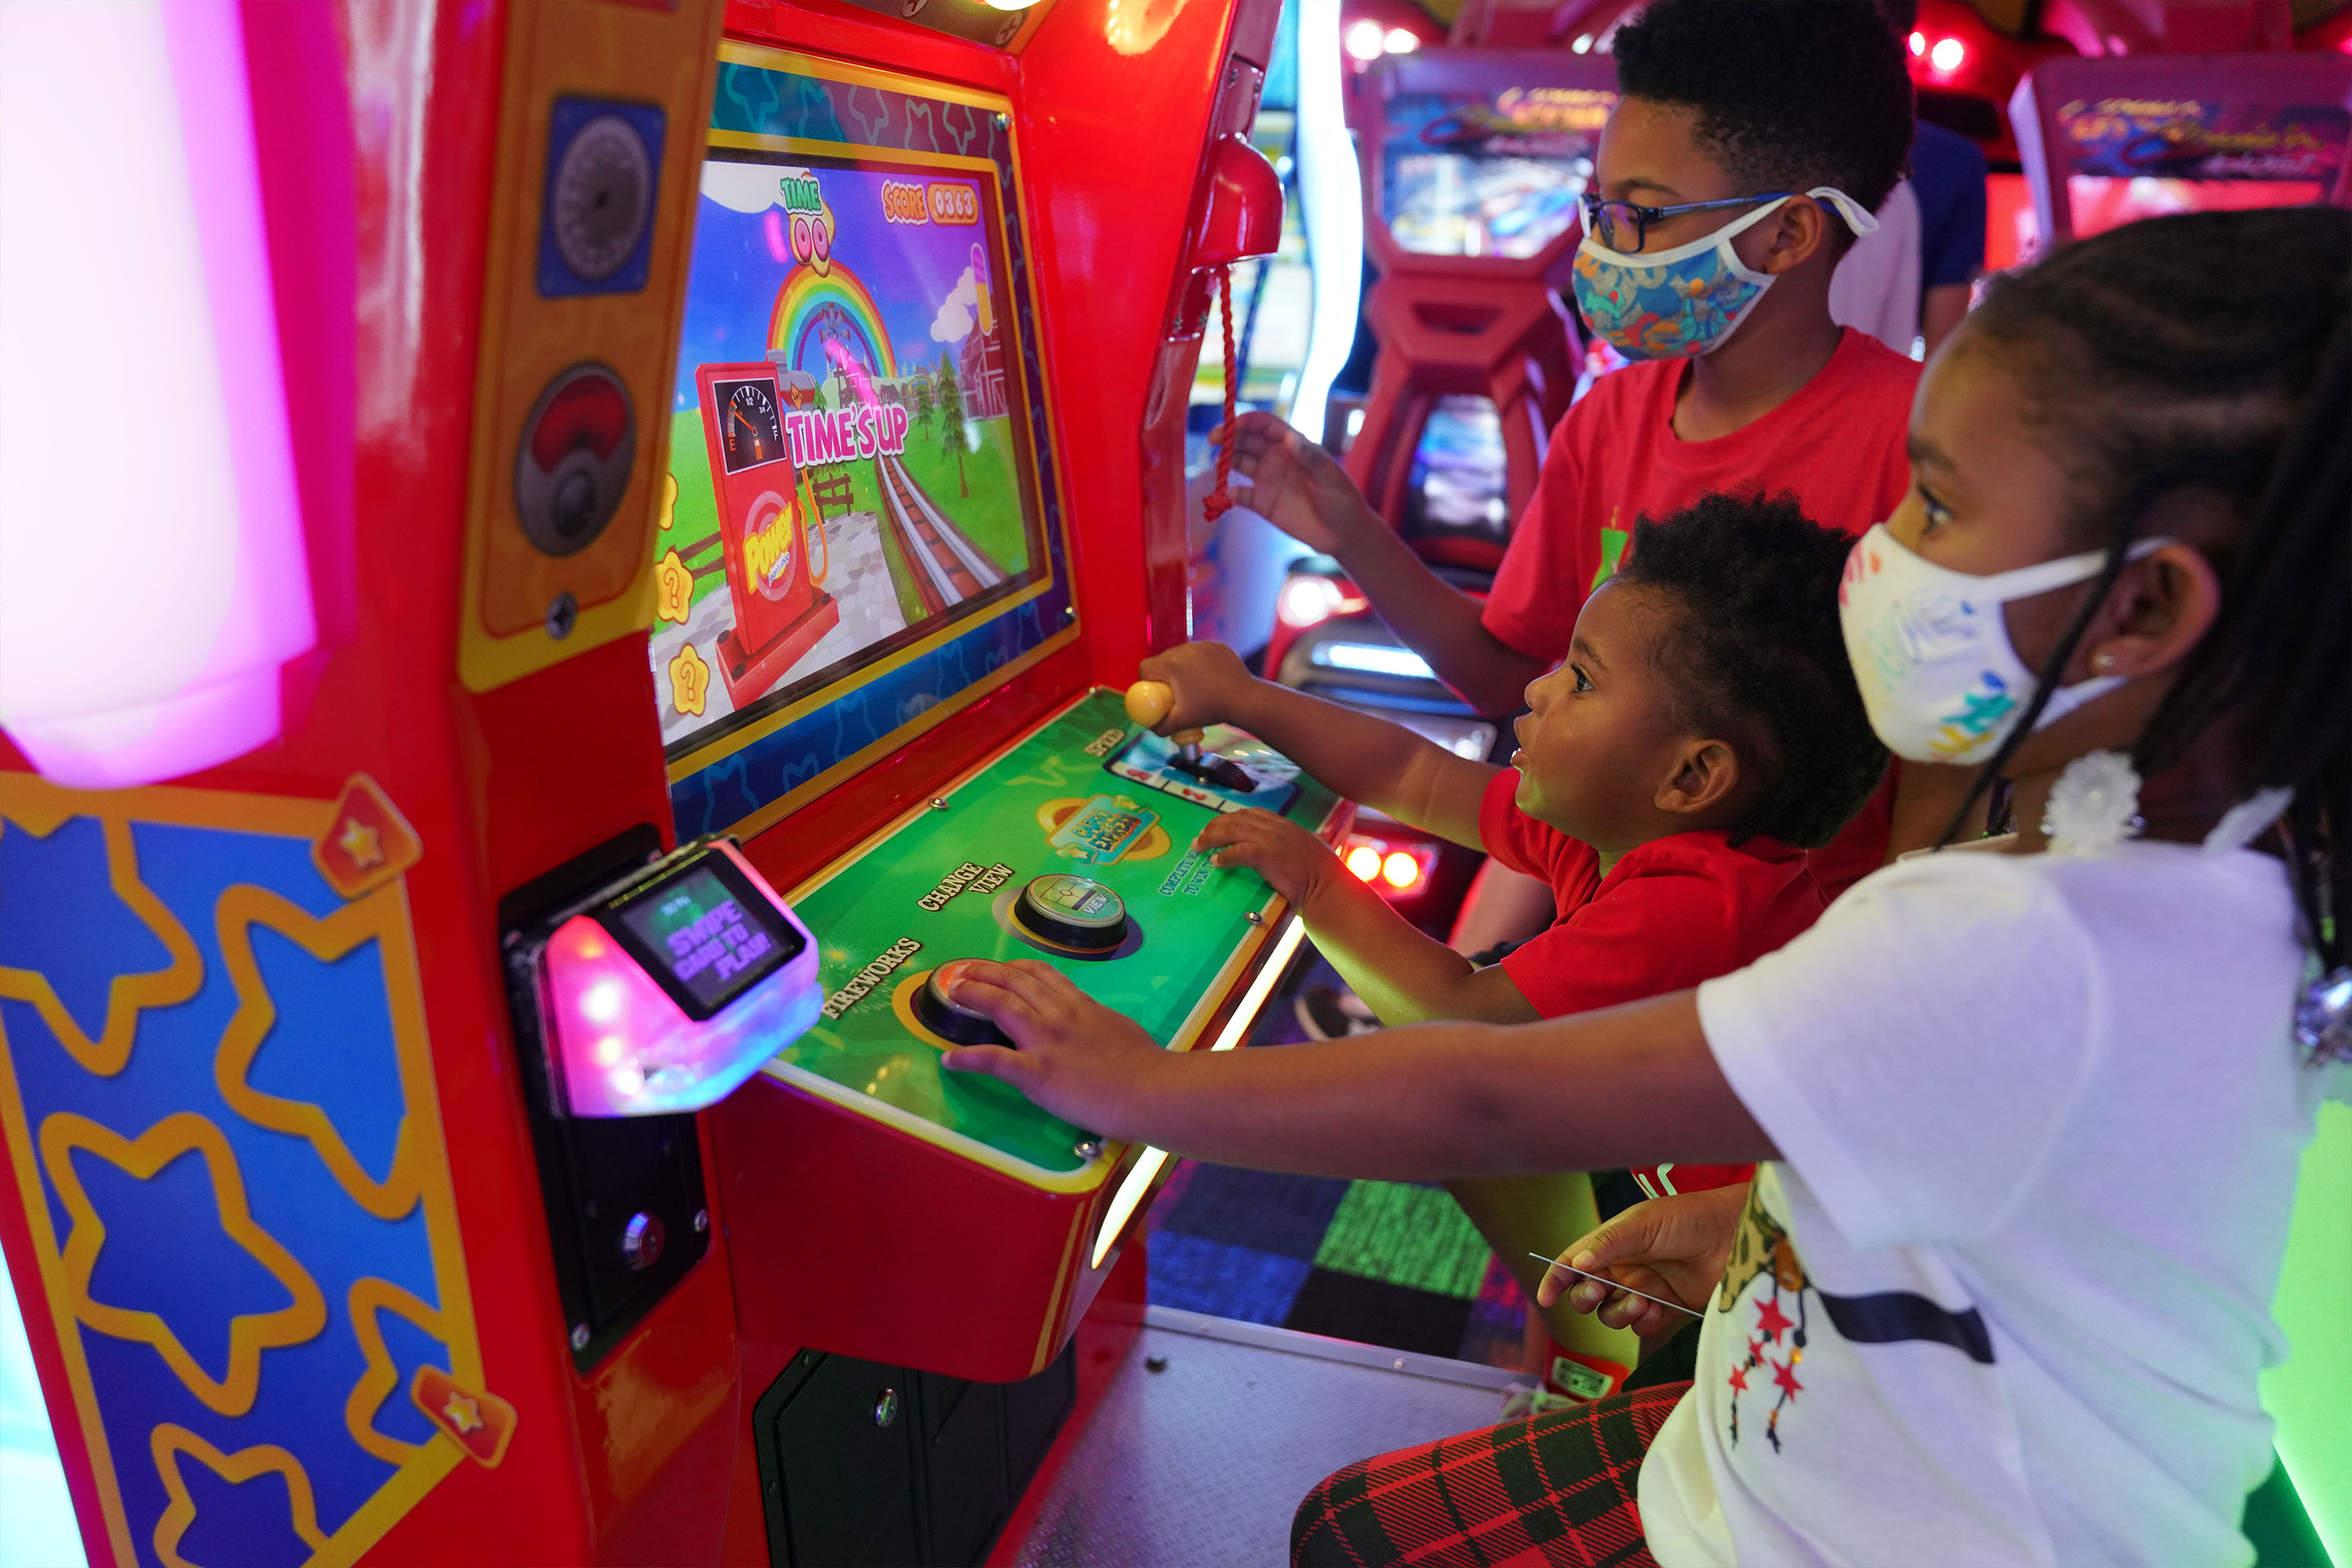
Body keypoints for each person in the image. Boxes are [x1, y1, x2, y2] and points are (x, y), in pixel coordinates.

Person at [940, 207, 2352, 1565]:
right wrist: (1754, 1223)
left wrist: (1136, 1090)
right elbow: (2031, 1223)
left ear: (2146, 607)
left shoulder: (2016, 940)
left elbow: (1481, 1087)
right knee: (1350, 1527)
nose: (1883, 553)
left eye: (1936, 507)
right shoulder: (2207, 897)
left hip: (1849, 1538)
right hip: (1786, 1450)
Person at [1144, 492, 1885, 1401]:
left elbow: (1465, 1025)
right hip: (1673, 1179)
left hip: (1767, 1279)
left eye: (1580, 679)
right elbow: (1409, 773)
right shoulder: (1610, 828)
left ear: (1690, 775)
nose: (1537, 689)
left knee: (1655, 1417)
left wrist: (1320, 884)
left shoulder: (1698, 903)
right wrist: (1247, 696)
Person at [1225, 0, 1962, 893]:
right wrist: (1350, 530)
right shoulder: (1610, 416)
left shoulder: (1924, 444)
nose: (1605, 248)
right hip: (1602, 917)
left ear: (1787, 234)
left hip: (1799, 961)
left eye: (1643, 218)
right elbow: (1504, 674)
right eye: (1599, 208)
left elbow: (1945, 760)